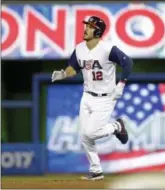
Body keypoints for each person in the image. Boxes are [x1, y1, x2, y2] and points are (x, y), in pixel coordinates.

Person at [52, 16, 134, 180]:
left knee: (92, 132)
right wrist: (63, 73)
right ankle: (96, 170)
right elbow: (73, 68)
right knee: (84, 135)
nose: (86, 29)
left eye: (90, 26)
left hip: (106, 97)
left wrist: (121, 84)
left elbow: (128, 63)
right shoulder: (80, 48)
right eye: (86, 26)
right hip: (87, 95)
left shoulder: (108, 49)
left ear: (98, 30)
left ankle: (117, 126)